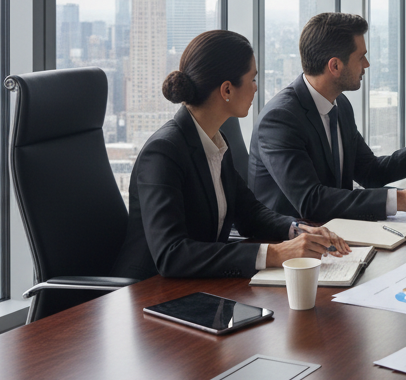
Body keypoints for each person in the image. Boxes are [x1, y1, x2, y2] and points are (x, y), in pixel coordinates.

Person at [113, 30, 350, 280]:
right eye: (252, 80)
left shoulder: (216, 141)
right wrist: (274, 254)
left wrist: (298, 231)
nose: (256, 89)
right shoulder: (163, 153)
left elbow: (249, 213)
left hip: (199, 286)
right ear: (227, 89)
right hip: (146, 294)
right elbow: (172, 254)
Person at [248, 12, 406, 222]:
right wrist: (400, 200)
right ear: (335, 66)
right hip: (291, 242)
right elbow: (311, 201)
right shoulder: (280, 119)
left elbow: (370, 172)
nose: (367, 64)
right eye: (361, 57)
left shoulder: (340, 104)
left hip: (334, 231)